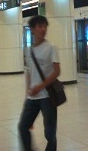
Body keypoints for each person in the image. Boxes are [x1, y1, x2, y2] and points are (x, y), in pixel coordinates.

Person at [18, 15, 61, 151]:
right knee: (23, 126)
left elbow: (57, 71)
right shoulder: (29, 50)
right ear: (32, 29)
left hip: (47, 96)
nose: (43, 29)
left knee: (50, 133)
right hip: (32, 97)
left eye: (45, 26)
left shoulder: (51, 47)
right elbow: (29, 74)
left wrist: (40, 87)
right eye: (40, 26)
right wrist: (27, 95)